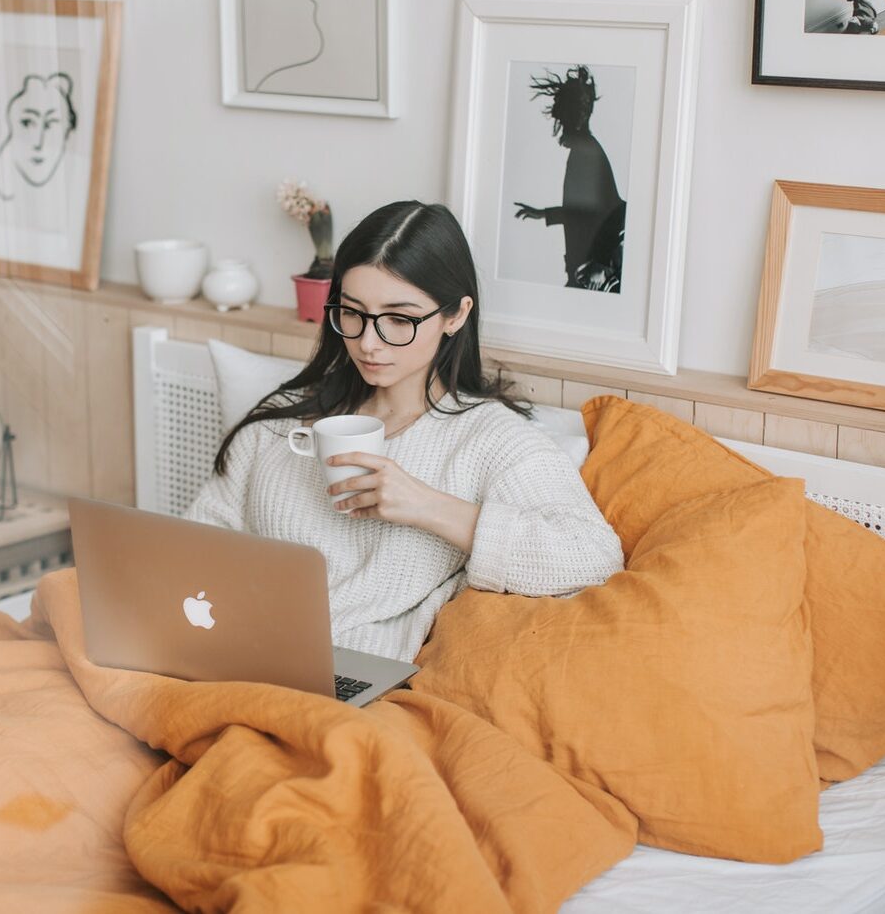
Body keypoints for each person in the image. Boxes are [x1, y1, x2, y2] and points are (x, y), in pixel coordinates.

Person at [185, 201, 623, 664]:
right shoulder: (281, 422)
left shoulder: (489, 440)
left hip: (349, 678)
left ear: (455, 316)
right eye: (352, 312)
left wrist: (428, 507)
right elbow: (193, 542)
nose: (368, 342)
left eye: (399, 319)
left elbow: (593, 556)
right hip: (232, 651)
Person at [513, 66, 627, 291]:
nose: (576, 117)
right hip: (586, 270)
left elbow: (614, 210)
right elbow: (582, 211)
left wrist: (601, 262)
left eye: (582, 109)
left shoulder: (586, 153)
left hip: (595, 273)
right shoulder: (583, 152)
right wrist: (543, 214)